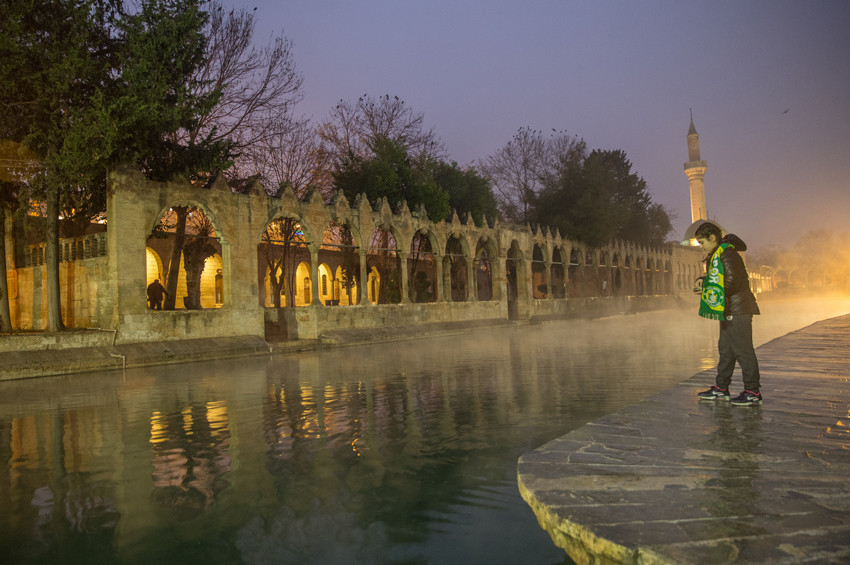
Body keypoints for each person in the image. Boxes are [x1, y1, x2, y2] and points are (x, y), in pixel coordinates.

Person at [693, 222, 763, 406]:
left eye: (702, 242)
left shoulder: (727, 254)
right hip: (728, 309)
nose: (701, 247)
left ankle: (752, 392)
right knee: (726, 350)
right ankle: (721, 389)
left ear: (712, 238)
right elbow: (720, 278)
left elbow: (732, 282)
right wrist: (704, 282)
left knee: (743, 350)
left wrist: (708, 289)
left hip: (738, 309)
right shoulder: (718, 254)